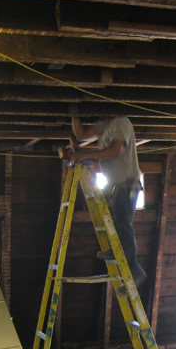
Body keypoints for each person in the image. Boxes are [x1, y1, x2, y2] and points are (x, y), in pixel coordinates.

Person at [66, 115, 146, 287]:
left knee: (123, 225)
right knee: (113, 222)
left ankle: (135, 271)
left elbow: (115, 151)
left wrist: (85, 154)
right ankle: (115, 251)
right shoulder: (105, 126)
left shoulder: (120, 123)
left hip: (126, 185)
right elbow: (81, 134)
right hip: (115, 185)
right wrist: (74, 113)